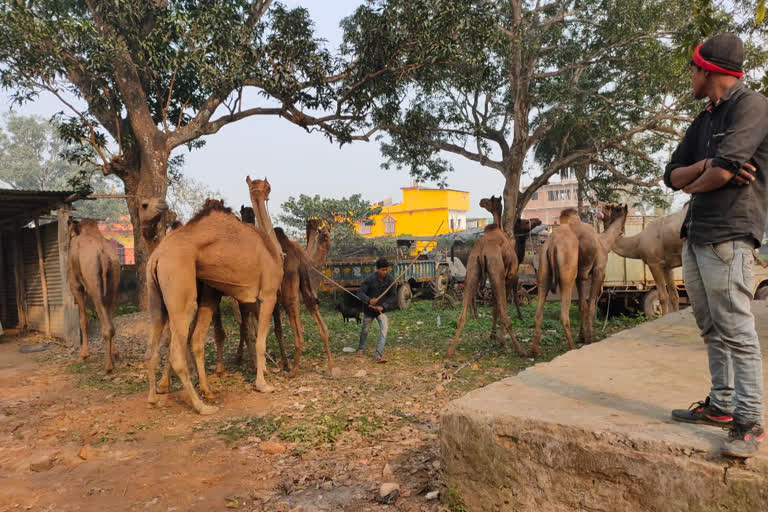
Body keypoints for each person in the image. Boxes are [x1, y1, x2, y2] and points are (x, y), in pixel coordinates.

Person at [664, 33, 768, 458]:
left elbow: (728, 171)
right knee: (711, 327)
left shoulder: (752, 107)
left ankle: (750, 420)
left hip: (729, 233)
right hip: (697, 234)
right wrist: (706, 166)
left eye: (693, 68)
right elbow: (671, 173)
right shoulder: (705, 118)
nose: (690, 75)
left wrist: (711, 173)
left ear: (708, 70)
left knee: (737, 330)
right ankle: (722, 406)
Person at [356, 257, 397, 363]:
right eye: (382, 270)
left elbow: (393, 296)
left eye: (386, 270)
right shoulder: (369, 279)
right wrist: (369, 300)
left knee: (384, 330)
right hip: (369, 310)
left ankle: (378, 355)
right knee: (365, 330)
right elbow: (360, 292)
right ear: (377, 269)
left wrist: (383, 306)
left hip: (381, 311)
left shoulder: (390, 280)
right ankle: (360, 348)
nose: (385, 272)